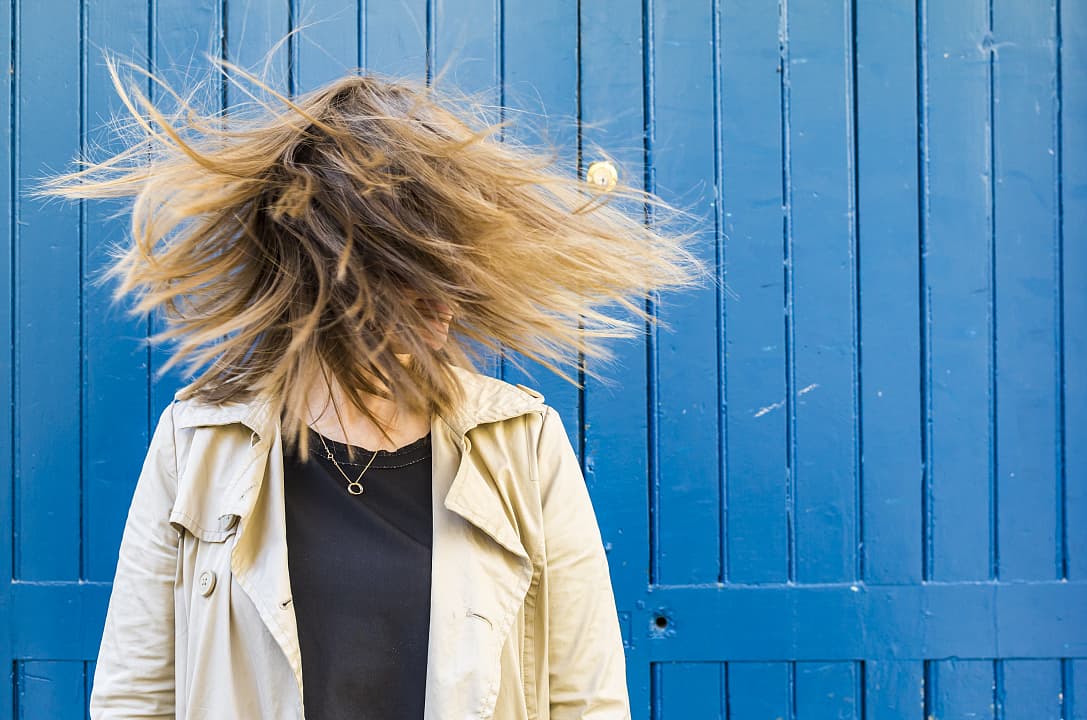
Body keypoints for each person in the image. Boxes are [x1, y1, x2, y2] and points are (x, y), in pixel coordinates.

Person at [36, 54, 709, 719]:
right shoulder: (199, 444)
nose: (440, 299)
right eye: (403, 269)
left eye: (449, 263)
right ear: (323, 273)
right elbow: (135, 698)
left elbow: (586, 701)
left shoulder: (522, 446)